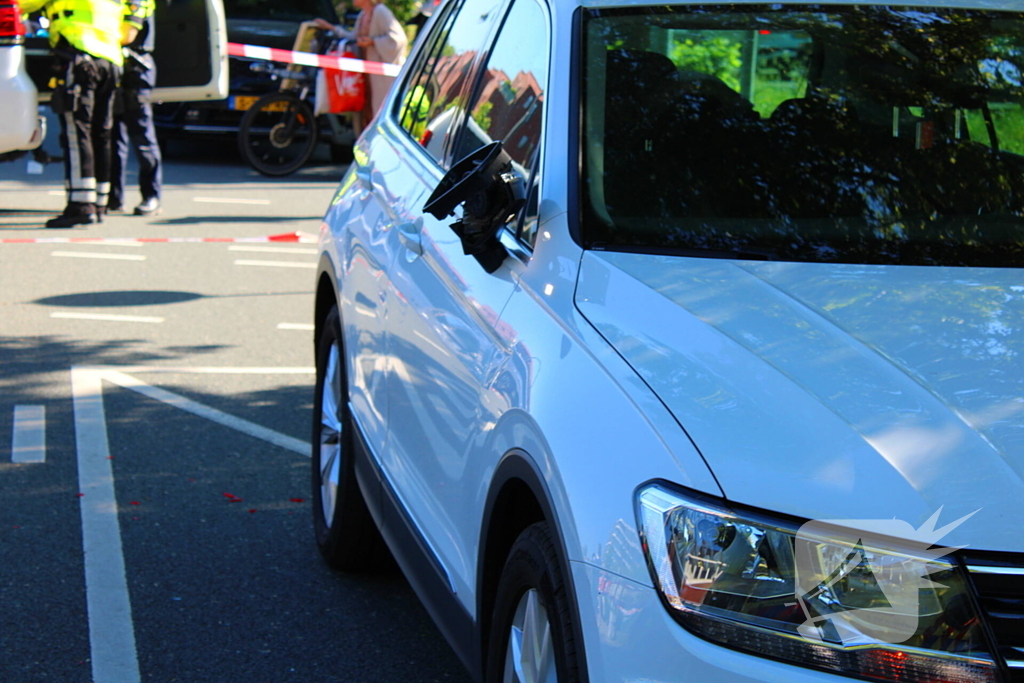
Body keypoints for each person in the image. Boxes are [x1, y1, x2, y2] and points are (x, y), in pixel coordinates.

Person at [22, 0, 123, 228]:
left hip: (79, 56)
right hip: (111, 60)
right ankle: (98, 203)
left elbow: (21, 4)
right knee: (101, 133)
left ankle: (81, 206)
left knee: (77, 133)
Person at [314, 0, 407, 134]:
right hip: (365, 76)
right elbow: (353, 37)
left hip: (379, 77)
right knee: (365, 113)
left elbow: (398, 40)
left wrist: (373, 42)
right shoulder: (363, 15)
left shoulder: (380, 12)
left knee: (378, 112)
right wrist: (332, 28)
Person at [109, 0, 162, 216]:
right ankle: (114, 198)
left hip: (136, 70)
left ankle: (152, 196)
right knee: (113, 139)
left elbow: (127, 35)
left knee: (142, 138)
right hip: (115, 67)